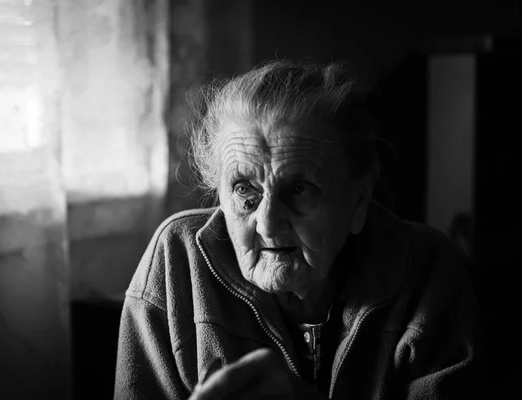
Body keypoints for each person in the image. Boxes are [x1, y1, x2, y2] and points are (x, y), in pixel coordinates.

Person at [114, 60, 487, 399]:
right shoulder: (177, 261)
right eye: (245, 190)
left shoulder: (426, 272)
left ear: (358, 200)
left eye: (298, 189)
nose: (269, 223)